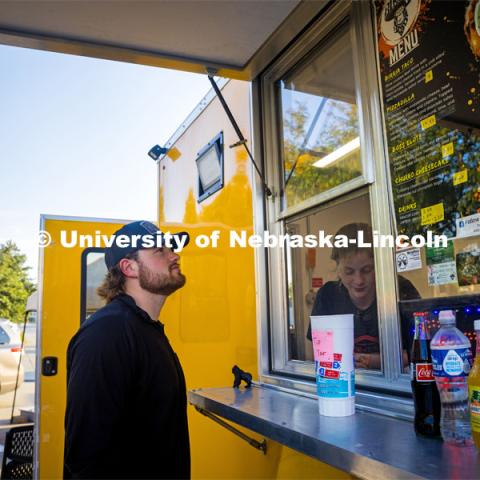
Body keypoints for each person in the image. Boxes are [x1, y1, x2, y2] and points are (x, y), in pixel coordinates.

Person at [64, 221, 190, 479]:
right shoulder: (107, 333)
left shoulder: (146, 329)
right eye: (160, 250)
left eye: (171, 249)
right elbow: (86, 459)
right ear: (129, 267)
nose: (174, 255)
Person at [307, 223, 420, 370]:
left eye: (367, 270)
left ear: (378, 266)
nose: (359, 280)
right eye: (349, 272)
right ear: (338, 268)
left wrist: (374, 361)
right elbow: (317, 354)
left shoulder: (400, 289)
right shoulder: (328, 296)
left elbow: (422, 350)